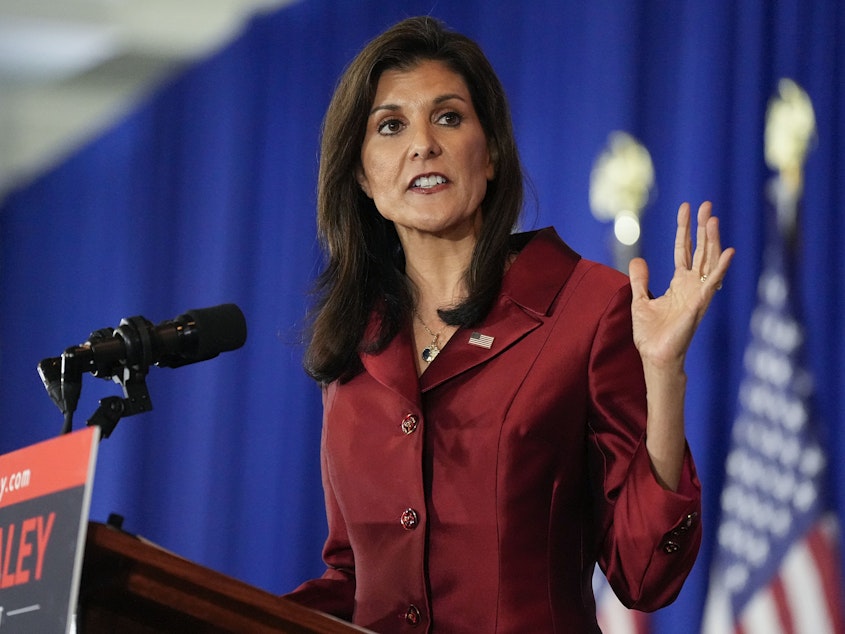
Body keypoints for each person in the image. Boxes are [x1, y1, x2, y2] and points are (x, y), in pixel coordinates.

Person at [285, 15, 734, 634]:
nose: (422, 144)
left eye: (448, 117)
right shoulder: (356, 346)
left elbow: (645, 575)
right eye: (390, 126)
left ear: (491, 151)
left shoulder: (586, 308)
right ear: (361, 176)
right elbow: (354, 578)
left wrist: (663, 373)